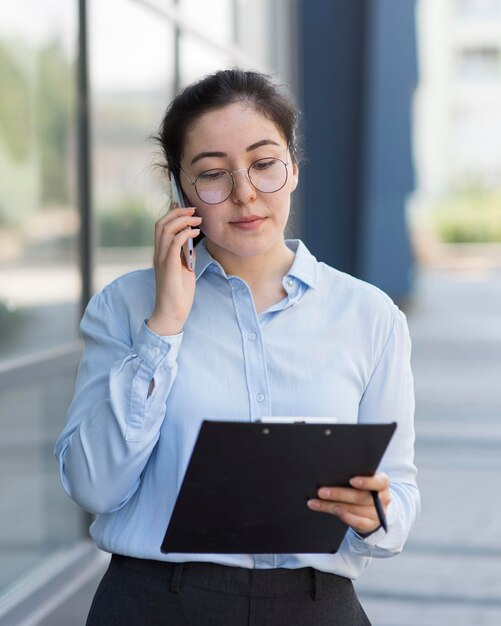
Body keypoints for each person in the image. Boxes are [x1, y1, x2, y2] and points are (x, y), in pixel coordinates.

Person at [55, 68, 420, 625]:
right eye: (213, 174)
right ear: (181, 191)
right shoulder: (125, 308)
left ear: (293, 168)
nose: (245, 193)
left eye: (264, 163)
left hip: (316, 606)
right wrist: (165, 327)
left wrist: (376, 514)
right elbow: (93, 487)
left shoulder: (370, 317)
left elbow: (401, 492)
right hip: (156, 604)